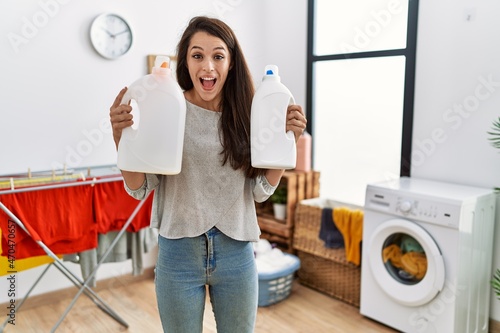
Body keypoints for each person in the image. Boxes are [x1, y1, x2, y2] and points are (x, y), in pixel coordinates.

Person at [109, 16, 307, 333]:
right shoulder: (166, 108)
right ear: (185, 62)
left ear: (230, 63)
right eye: (197, 55)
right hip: (178, 253)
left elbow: (260, 191)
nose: (208, 67)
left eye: (218, 55)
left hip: (236, 252)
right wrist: (121, 136)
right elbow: (139, 188)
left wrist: (286, 143)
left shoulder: (247, 115)